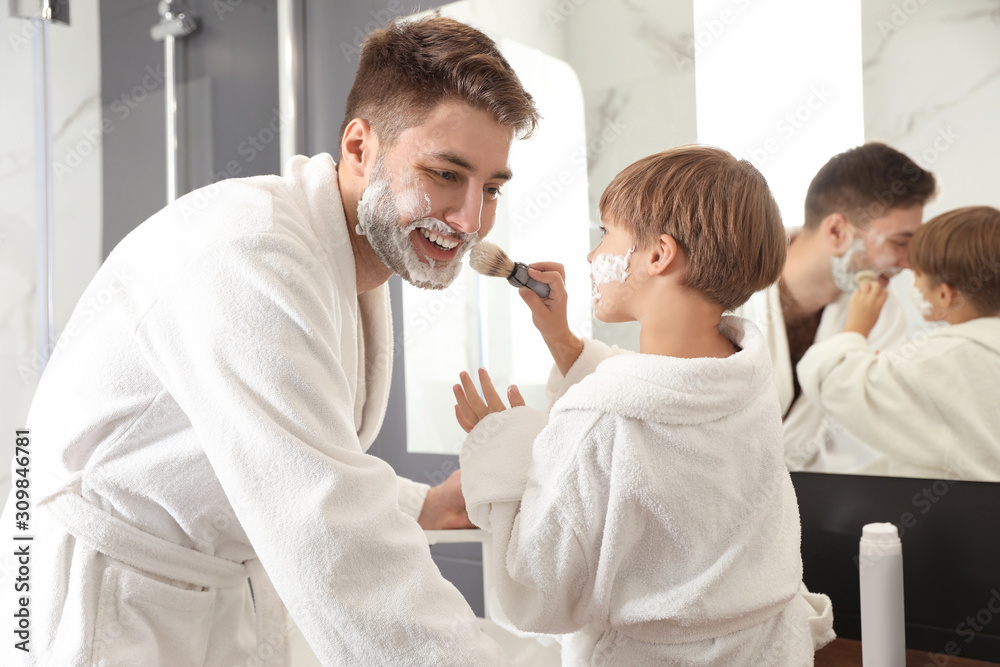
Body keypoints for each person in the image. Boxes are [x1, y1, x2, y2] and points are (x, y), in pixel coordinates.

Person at [0, 16, 538, 665]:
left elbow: (283, 451)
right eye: (446, 173)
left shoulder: (347, 260)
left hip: (206, 589)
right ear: (361, 147)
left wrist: (421, 503)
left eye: (493, 188)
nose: (471, 219)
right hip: (102, 603)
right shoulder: (251, 256)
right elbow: (334, 541)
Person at [452, 146, 835, 666]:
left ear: (657, 255)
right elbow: (667, 396)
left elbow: (535, 594)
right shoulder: (747, 379)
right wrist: (564, 342)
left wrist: (503, 450)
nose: (592, 257)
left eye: (606, 233)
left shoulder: (600, 420)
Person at [734, 142, 937, 471]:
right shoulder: (728, 287)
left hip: (810, 493)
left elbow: (881, 422)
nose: (909, 263)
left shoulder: (884, 312)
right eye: (900, 243)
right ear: (837, 230)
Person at [798, 206, 1000, 481]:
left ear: (944, 295)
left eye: (917, 274)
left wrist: (855, 330)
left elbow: (832, 377)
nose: (907, 275)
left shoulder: (942, 357)